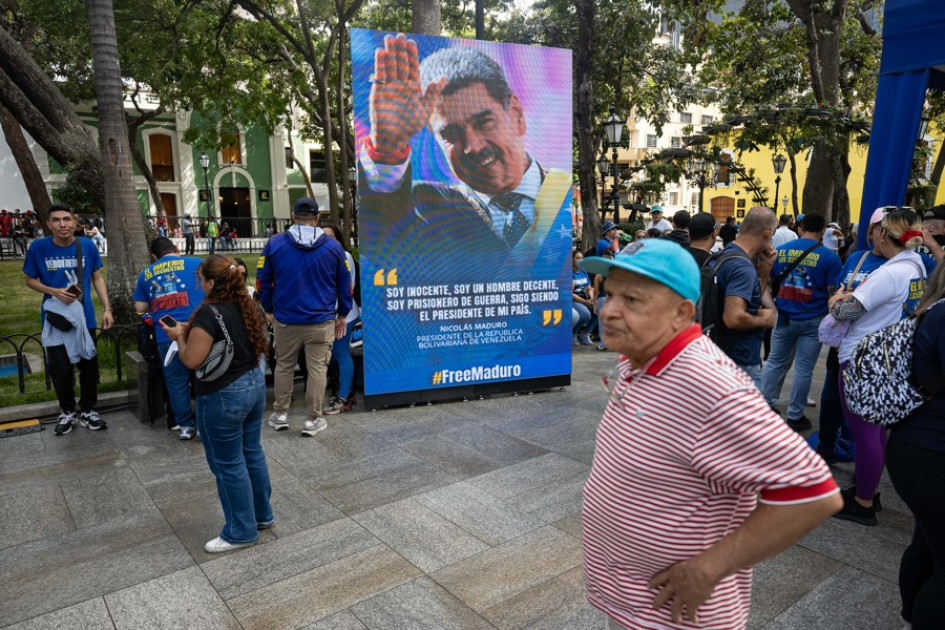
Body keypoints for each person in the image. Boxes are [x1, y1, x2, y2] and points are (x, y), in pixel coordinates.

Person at [579, 238, 840, 630]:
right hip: (633, 598)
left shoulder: (711, 386)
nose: (609, 311)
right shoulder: (640, 357)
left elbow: (812, 493)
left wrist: (708, 569)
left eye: (632, 300)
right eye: (610, 294)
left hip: (677, 616)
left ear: (681, 313)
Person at [358, 35, 572, 281]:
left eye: (484, 122)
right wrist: (388, 149)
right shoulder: (428, 207)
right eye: (451, 134)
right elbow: (384, 236)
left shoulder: (562, 196)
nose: (473, 146)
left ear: (516, 115)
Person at [161, 254, 273, 553]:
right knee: (251, 452)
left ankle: (240, 531)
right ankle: (261, 515)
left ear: (211, 282)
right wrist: (190, 329)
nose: (199, 284)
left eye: (200, 280)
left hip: (223, 396)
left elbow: (190, 359)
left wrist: (178, 336)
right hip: (254, 386)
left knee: (227, 464)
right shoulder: (245, 303)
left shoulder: (209, 314)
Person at [829, 207, 927, 526]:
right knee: (876, 431)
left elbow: (847, 313)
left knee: (864, 432)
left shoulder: (889, 272)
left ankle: (863, 502)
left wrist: (836, 302)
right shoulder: (915, 267)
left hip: (863, 356)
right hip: (887, 355)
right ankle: (868, 489)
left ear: (883, 234)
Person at [257, 197, 352, 436]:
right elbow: (345, 284)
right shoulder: (333, 247)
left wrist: (268, 308)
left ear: (293, 216)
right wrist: (343, 313)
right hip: (321, 320)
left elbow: (263, 280)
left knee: (284, 366)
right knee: (318, 369)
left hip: (286, 319)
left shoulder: (275, 243)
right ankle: (313, 419)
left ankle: (280, 414)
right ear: (317, 218)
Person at [886, 262, 945, 629]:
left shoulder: (934, 308)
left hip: (917, 445)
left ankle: (911, 617)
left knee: (927, 544)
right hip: (928, 450)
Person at [23, 204, 113, 435]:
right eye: (56, 220)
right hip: (54, 319)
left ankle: (88, 410)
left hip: (84, 317)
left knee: (88, 366)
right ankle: (66, 411)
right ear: (49, 223)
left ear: (75, 222)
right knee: (60, 369)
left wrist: (107, 308)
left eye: (66, 219)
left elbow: (97, 277)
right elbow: (30, 280)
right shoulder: (39, 248)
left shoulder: (87, 246)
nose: (62, 224)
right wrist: (54, 291)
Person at [760, 213, 842, 431]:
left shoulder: (781, 252)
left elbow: (765, 283)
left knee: (775, 362)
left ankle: (765, 406)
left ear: (799, 228)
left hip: (784, 316)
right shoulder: (830, 257)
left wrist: (774, 309)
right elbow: (832, 294)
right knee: (804, 369)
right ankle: (795, 415)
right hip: (813, 319)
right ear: (823, 231)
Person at [133, 237, 205, 440]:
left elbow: (139, 307)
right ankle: (202, 426)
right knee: (202, 378)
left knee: (176, 381)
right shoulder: (196, 263)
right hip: (198, 330)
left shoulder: (146, 273)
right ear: (176, 248)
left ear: (154, 257)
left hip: (166, 333)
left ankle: (185, 426)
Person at [702, 207, 778, 388]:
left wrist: (764, 272)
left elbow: (746, 301)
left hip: (717, 355)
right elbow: (734, 317)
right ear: (768, 233)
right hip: (740, 363)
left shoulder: (722, 256)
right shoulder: (742, 267)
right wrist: (764, 320)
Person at [319, 222, 361, 414]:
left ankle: (344, 398)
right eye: (323, 236)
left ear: (338, 239)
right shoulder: (320, 255)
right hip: (329, 314)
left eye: (331, 236)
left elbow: (347, 288)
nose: (327, 240)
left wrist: (339, 315)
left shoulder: (344, 256)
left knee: (341, 353)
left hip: (343, 314)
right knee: (337, 353)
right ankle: (345, 392)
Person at [571, 250, 596, 346]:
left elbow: (589, 288)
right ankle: (574, 334)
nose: (580, 260)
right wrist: (585, 302)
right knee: (585, 314)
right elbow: (570, 293)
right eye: (577, 258)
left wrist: (592, 299)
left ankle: (585, 333)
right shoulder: (569, 273)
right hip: (574, 299)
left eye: (582, 258)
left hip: (585, 298)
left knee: (599, 308)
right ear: (572, 259)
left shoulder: (583, 271)